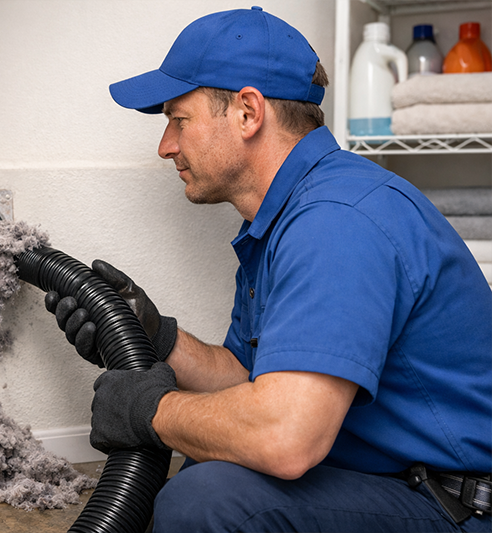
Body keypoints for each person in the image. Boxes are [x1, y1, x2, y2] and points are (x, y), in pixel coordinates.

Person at [45, 6, 492, 533]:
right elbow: (248, 382)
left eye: (178, 120)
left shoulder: (336, 222)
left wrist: (152, 410)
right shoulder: (286, 217)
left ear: (248, 113)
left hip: (454, 506)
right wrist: (156, 336)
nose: (166, 146)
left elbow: (286, 436)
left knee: (207, 501)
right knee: (213, 454)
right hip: (393, 477)